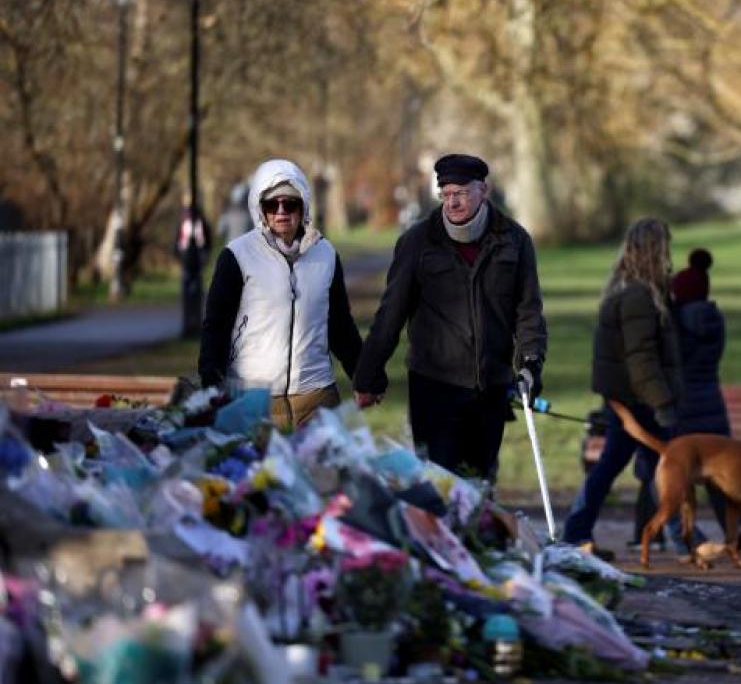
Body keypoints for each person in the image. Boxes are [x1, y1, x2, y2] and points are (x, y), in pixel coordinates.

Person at [352, 154, 547, 481]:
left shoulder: (513, 241)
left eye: (461, 193)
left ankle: (476, 532)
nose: (452, 202)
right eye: (446, 194)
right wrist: (368, 377)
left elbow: (529, 311)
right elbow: (391, 313)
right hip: (434, 386)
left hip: (491, 387)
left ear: (483, 190)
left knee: (480, 484)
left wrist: (530, 363)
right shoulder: (418, 243)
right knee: (439, 485)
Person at [199, 159, 362, 428]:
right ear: (259, 209)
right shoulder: (237, 256)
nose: (281, 211)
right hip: (253, 399)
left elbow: (340, 325)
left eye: (291, 203)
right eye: (272, 204)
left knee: (323, 471)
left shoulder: (326, 255)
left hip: (316, 398)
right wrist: (210, 382)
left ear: (304, 207)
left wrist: (364, 376)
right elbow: (216, 325)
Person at [562, 218, 682, 559]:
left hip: (626, 398)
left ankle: (575, 532)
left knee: (617, 465)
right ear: (654, 251)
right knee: (666, 465)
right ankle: (685, 538)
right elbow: (640, 358)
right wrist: (662, 402)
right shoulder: (638, 297)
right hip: (639, 400)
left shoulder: (629, 290)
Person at [635, 248, 741, 553]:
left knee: (669, 473)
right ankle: (737, 526)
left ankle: (682, 535)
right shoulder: (716, 319)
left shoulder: (676, 323)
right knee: (719, 475)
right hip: (713, 406)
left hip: (684, 411)